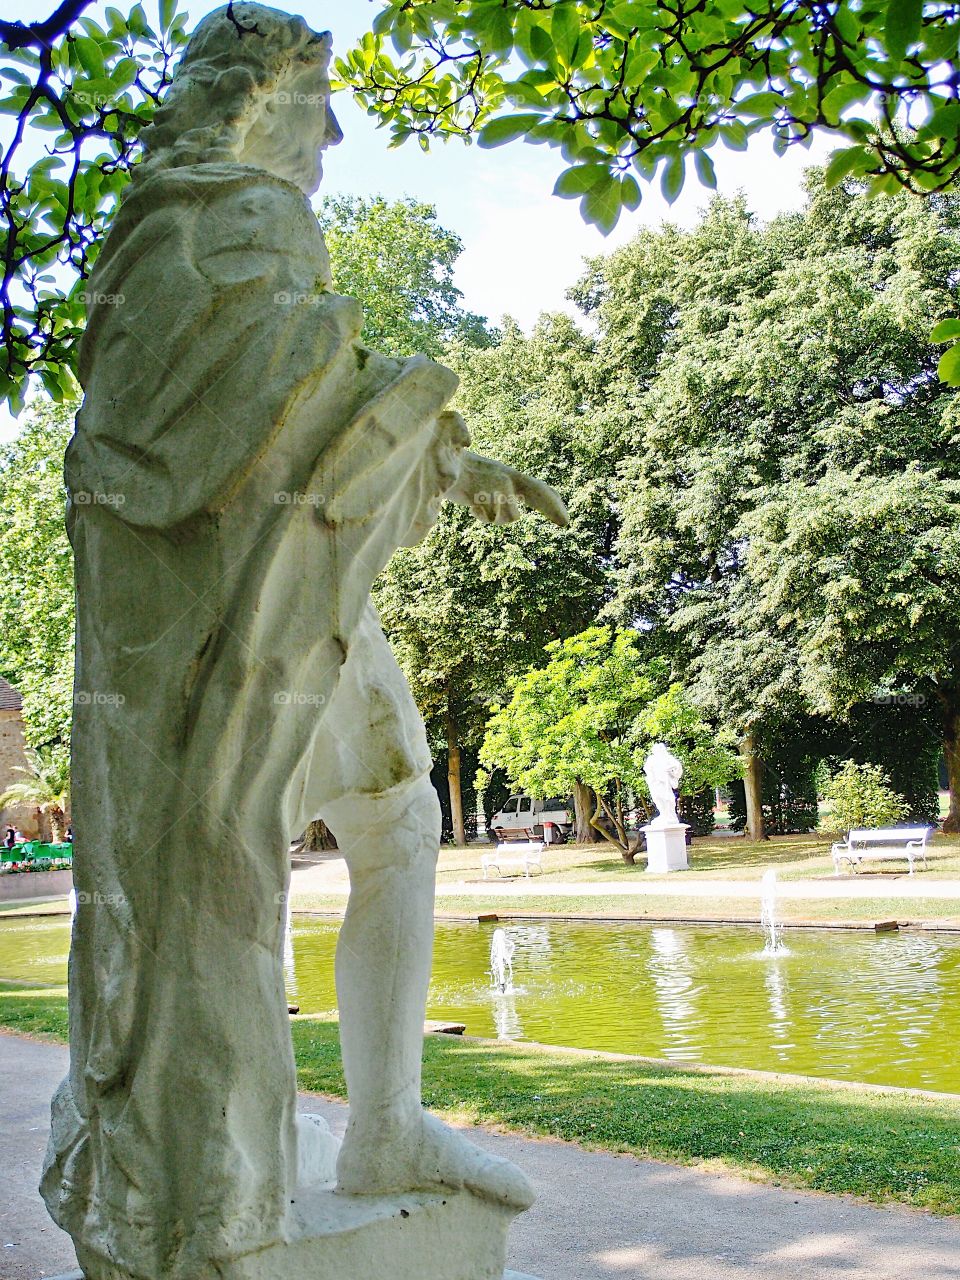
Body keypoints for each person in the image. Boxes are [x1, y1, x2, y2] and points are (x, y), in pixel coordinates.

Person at [42, 7, 565, 1279]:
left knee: (392, 816)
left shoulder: (150, 236)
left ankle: (383, 1127)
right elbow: (283, 398)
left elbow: (250, 405)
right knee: (318, 842)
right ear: (262, 95)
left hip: (248, 588)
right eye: (317, 101)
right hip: (243, 603)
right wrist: (427, 408)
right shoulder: (242, 217)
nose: (331, 134)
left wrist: (444, 456)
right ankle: (359, 1133)